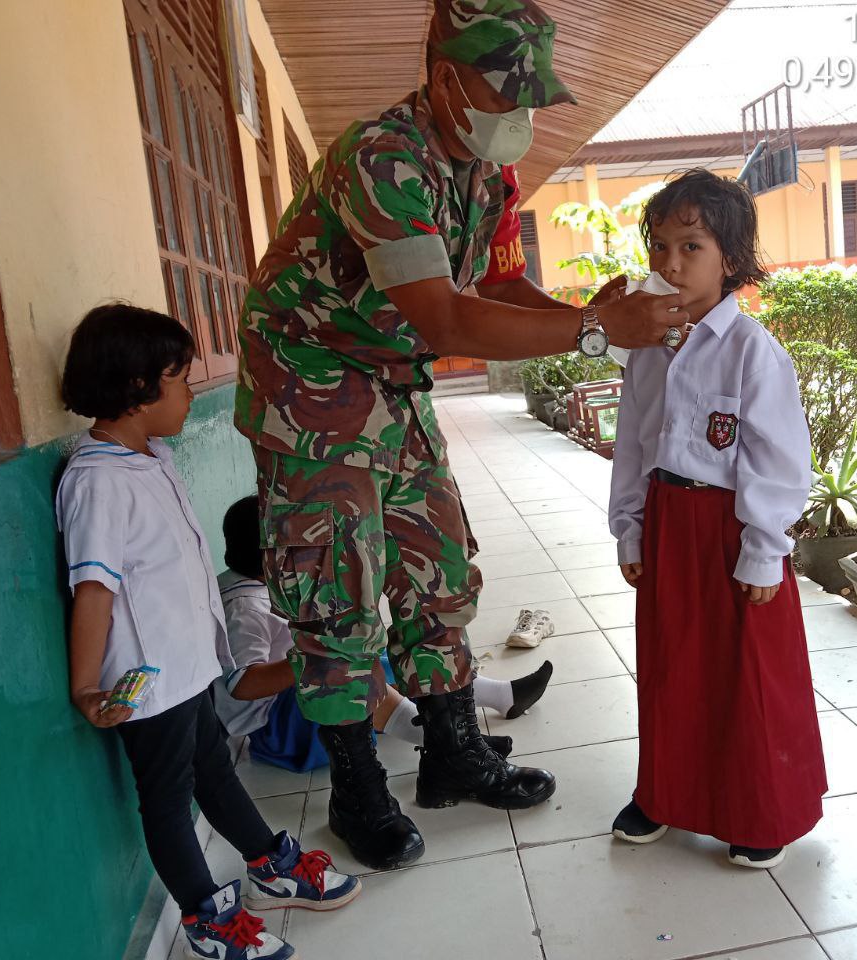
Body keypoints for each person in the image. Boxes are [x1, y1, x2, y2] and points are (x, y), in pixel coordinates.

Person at [235, 0, 688, 871]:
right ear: (445, 80)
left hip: (389, 381)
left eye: (531, 97)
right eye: (504, 92)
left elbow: (500, 288)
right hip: (308, 384)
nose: (519, 115)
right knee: (337, 586)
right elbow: (444, 319)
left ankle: (452, 752)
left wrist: (588, 317)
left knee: (437, 561)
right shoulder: (381, 157)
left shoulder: (485, 173)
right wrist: (597, 332)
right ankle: (357, 789)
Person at [57, 305, 359, 960]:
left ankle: (269, 865)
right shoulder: (97, 481)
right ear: (138, 388)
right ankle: (206, 919)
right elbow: (94, 589)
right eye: (180, 379)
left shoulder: (150, 456)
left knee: (214, 771)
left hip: (187, 665)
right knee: (167, 802)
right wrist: (84, 687)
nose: (191, 392)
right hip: (147, 681)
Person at [606, 170, 829, 869]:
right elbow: (634, 442)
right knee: (670, 665)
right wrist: (631, 527)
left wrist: (764, 549)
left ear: (729, 258)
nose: (670, 264)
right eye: (659, 246)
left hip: (733, 531)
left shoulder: (753, 351)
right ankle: (662, 794)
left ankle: (760, 809)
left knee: (747, 673)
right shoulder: (648, 346)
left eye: (691, 247)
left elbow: (779, 459)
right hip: (669, 525)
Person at [213, 495, 554, 769]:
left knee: (381, 656)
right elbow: (242, 685)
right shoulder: (243, 609)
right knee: (348, 672)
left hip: (293, 706)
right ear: (271, 559)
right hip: (274, 729)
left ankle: (501, 697)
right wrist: (312, 658)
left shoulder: (254, 584)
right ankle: (445, 743)